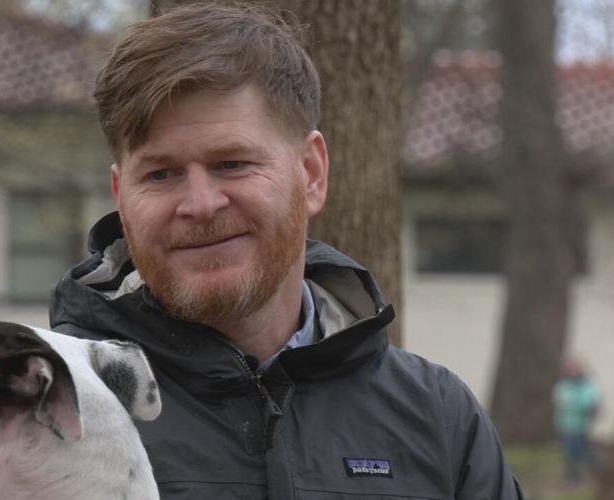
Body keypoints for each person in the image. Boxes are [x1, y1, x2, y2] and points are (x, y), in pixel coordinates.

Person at [49, 3, 524, 498]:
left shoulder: (439, 421)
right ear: (122, 197)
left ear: (311, 174)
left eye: (232, 163)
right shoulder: (43, 409)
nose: (201, 205)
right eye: (161, 174)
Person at [553, 358, 600, 482]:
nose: (572, 372)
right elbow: (559, 401)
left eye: (574, 369)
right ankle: (574, 475)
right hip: (566, 424)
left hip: (582, 424)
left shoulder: (587, 385)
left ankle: (596, 469)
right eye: (569, 369)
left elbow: (590, 403)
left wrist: (574, 405)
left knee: (581, 448)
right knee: (569, 450)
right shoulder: (563, 385)